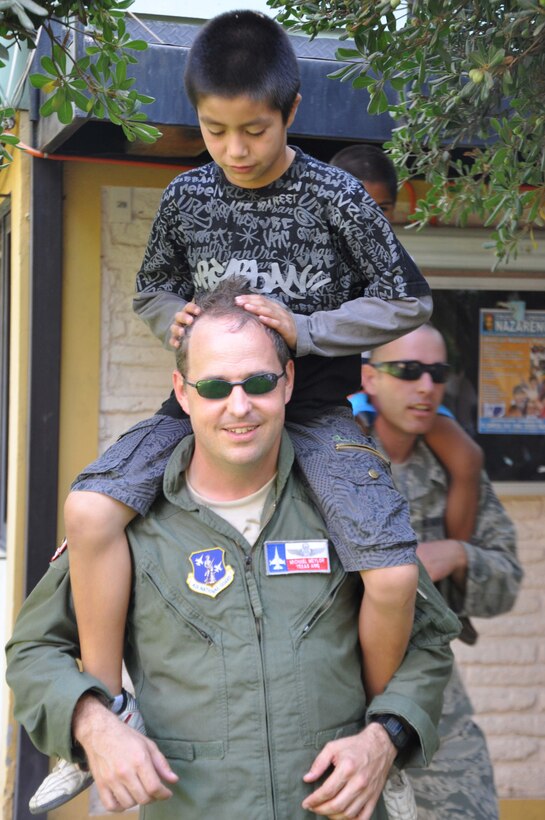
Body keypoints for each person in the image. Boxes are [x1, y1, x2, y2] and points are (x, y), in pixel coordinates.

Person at [28, 11, 434, 812]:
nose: (235, 150)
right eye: (215, 131)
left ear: (289, 113)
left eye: (252, 129)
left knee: (389, 572)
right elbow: (152, 288)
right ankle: (105, 712)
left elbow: (405, 298)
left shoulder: (335, 194)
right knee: (90, 509)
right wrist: (171, 318)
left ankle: (385, 753)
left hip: (313, 408)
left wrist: (311, 330)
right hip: (206, 407)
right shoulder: (186, 196)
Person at [6, 286, 461, 819]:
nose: (239, 406)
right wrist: (93, 722)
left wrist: (385, 738)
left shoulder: (347, 507)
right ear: (182, 391)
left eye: (260, 383)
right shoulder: (125, 518)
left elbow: (429, 639)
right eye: (216, 386)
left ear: (288, 383)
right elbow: (34, 650)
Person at [360, 323, 523, 820]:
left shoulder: (454, 467)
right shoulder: (335, 461)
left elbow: (506, 580)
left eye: (437, 373)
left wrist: (456, 554)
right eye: (408, 371)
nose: (426, 387)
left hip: (435, 705)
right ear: (370, 379)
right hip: (341, 696)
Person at [330, 142, 484, 544]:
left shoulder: (397, 270)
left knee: (467, 458)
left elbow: (412, 343)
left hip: (393, 391)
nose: (368, 218)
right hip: (342, 397)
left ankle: (453, 561)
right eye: (356, 205)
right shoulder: (318, 267)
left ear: (394, 212)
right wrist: (360, 402)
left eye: (380, 208)